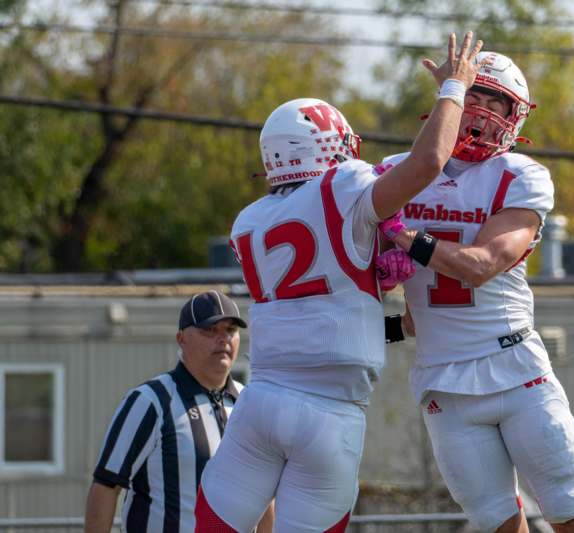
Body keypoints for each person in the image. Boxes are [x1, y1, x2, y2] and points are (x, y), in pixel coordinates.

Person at [194, 32, 486, 533]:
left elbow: (314, 308)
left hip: (260, 402)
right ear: (328, 143)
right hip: (329, 413)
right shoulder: (343, 188)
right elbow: (426, 164)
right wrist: (454, 88)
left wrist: (390, 326)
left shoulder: (249, 222)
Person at [379, 52, 574, 533]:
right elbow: (387, 304)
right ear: (449, 101)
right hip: (443, 382)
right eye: (471, 96)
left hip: (516, 372)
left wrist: (402, 236)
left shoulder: (520, 175)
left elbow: (480, 267)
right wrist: (384, 328)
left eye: (495, 103)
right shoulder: (396, 172)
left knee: (568, 512)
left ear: (515, 117)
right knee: (497, 525)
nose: (480, 112)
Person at [85, 290, 274, 533]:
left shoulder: (249, 403)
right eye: (210, 330)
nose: (223, 339)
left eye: (230, 330)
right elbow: (106, 485)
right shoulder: (151, 401)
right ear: (181, 338)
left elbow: (266, 496)